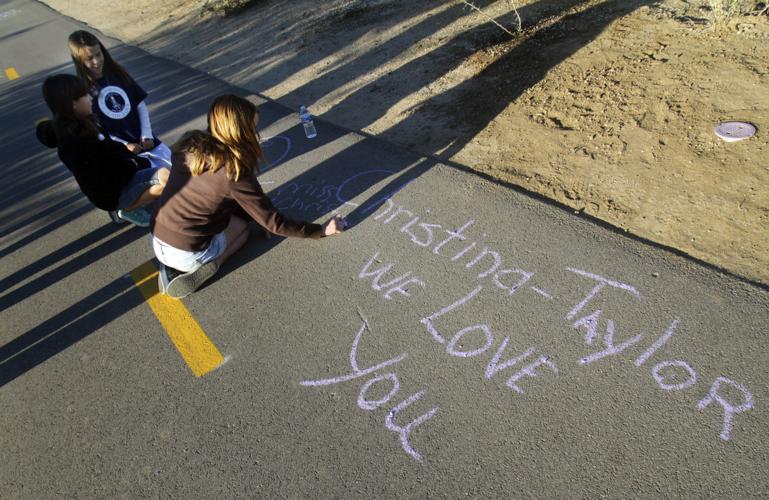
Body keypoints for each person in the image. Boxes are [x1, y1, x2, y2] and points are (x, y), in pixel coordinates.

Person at [150, 94, 345, 298]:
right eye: (253, 128)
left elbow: (208, 192)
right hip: (185, 253)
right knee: (243, 230)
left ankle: (174, 265)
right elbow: (273, 223)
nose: (256, 134)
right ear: (240, 132)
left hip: (158, 236)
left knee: (242, 215)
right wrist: (320, 230)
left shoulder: (189, 144)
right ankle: (205, 265)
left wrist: (254, 213)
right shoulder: (232, 172)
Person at [39, 73, 169, 227]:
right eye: (85, 95)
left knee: (165, 172)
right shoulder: (74, 144)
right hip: (113, 193)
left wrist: (131, 157)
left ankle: (133, 204)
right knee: (166, 178)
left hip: (124, 176)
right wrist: (131, 165)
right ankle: (127, 208)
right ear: (73, 104)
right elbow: (96, 181)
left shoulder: (85, 124)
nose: (90, 98)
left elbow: (110, 150)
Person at [67, 30, 172, 173]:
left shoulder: (118, 74)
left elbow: (139, 104)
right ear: (79, 62)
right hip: (125, 154)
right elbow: (96, 129)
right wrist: (124, 145)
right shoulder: (84, 91)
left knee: (178, 175)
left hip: (148, 142)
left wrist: (146, 134)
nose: (96, 61)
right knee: (157, 186)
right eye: (89, 58)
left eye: (98, 54)